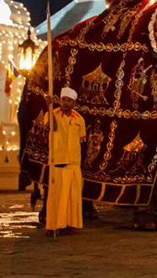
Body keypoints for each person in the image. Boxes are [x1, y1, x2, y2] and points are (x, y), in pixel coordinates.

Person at [45, 87, 87, 235]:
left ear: (73, 103)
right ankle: (54, 225)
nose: (65, 103)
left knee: (72, 197)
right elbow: (52, 127)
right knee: (56, 197)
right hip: (58, 160)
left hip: (73, 162)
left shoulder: (79, 119)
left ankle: (70, 223)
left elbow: (83, 142)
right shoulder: (52, 114)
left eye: (69, 100)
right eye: (63, 99)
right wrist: (49, 107)